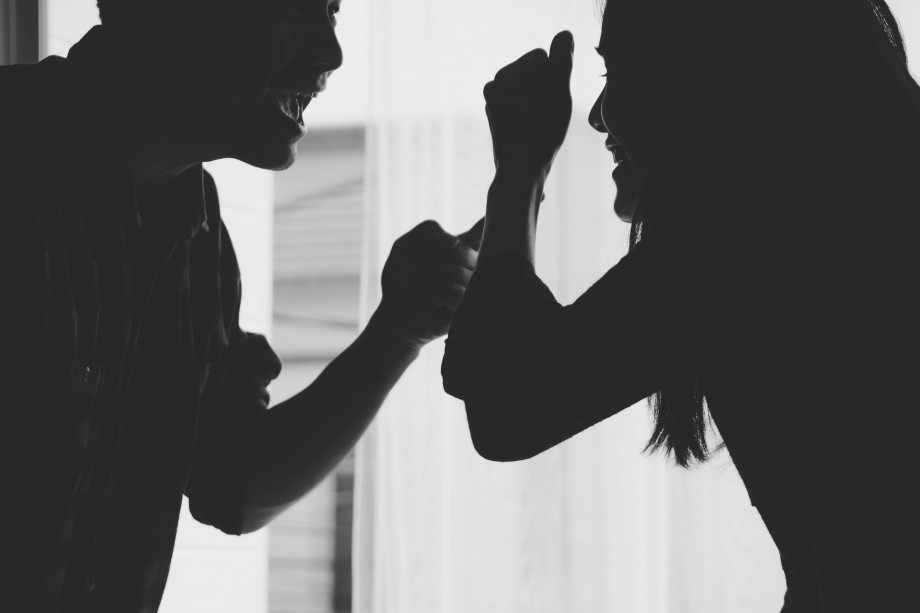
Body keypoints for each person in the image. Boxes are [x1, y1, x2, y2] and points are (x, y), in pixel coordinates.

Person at [0, 0, 481, 610]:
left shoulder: (196, 232)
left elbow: (234, 482)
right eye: (300, 10)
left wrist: (400, 331)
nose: (330, 53)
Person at [442, 1, 920, 610]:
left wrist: (519, 170)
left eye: (616, 75)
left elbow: (506, 404)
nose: (594, 116)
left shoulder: (754, 234)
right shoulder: (852, 199)